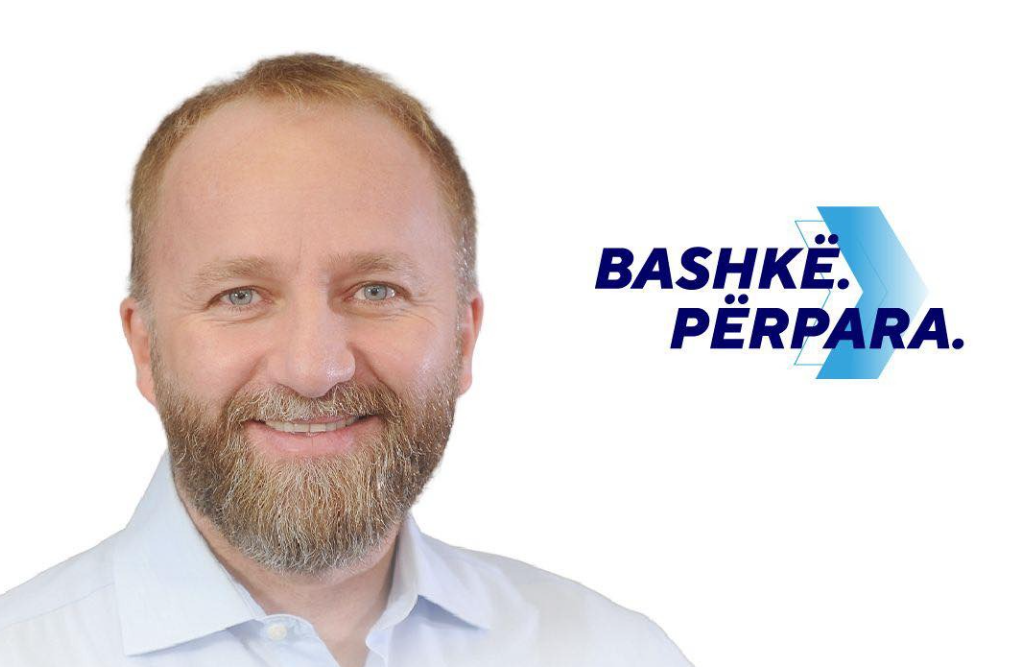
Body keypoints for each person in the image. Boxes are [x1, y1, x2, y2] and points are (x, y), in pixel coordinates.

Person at [0, 53, 692, 667]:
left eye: (376, 290)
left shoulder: (615, 653)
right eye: (240, 295)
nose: (314, 368)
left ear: (463, 338)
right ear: (145, 347)